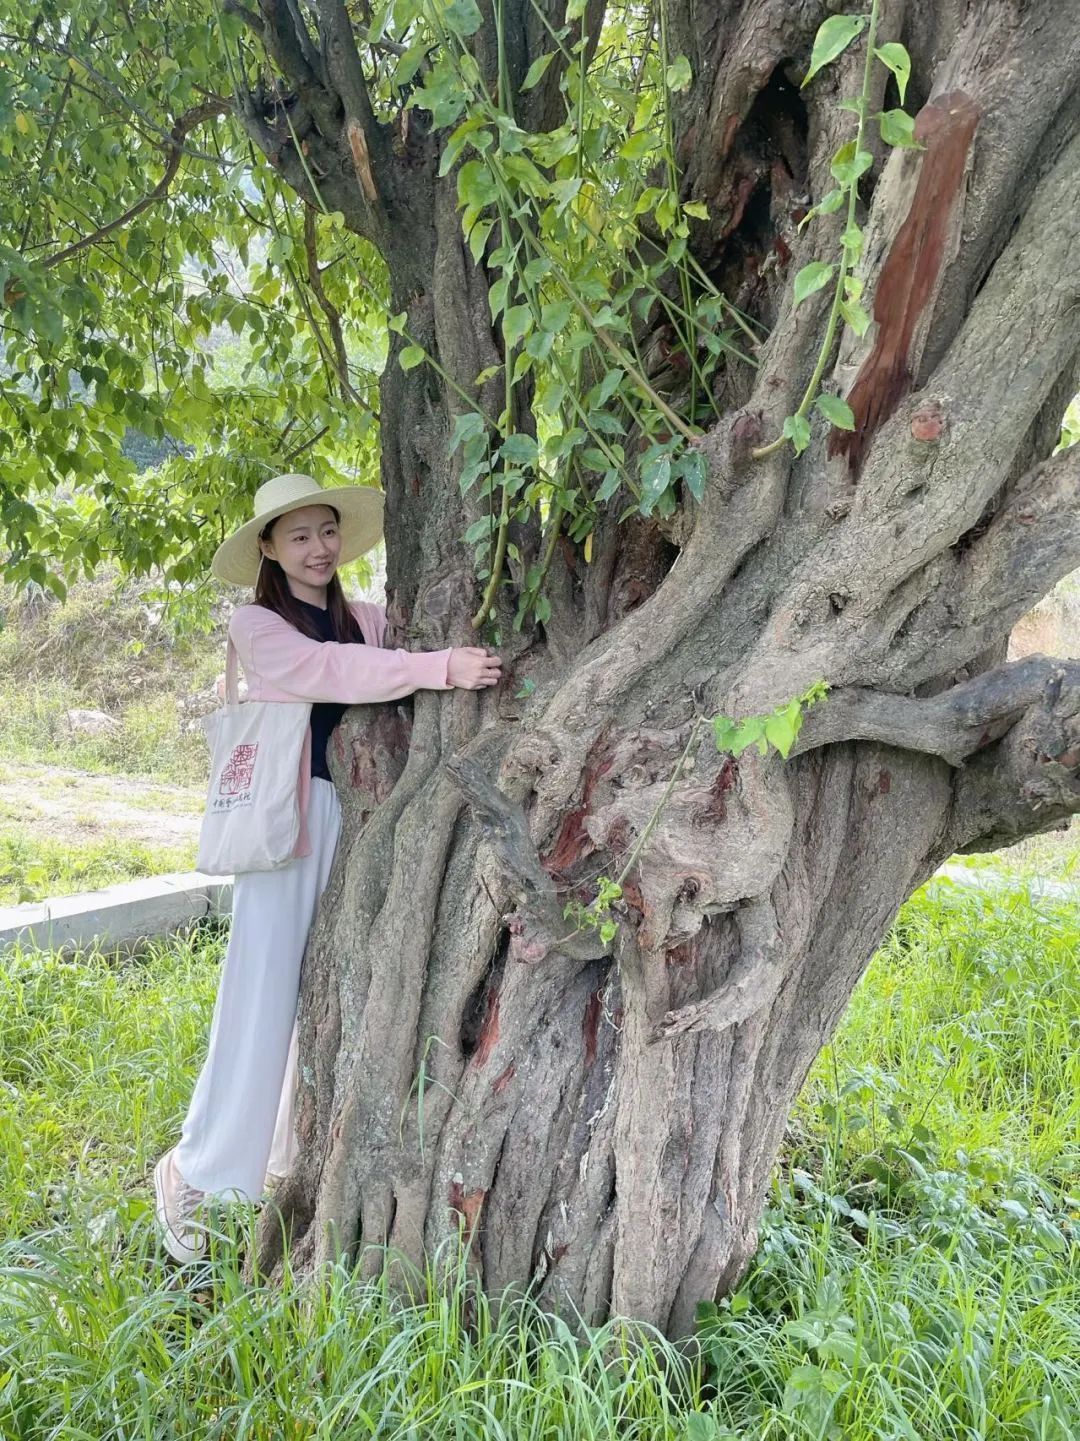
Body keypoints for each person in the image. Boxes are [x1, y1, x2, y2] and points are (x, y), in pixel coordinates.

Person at [153, 472, 501, 1261]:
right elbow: (329, 674)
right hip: (285, 827)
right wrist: (439, 665)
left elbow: (377, 663)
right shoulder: (258, 625)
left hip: (353, 822)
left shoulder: (367, 619)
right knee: (261, 992)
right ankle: (194, 1171)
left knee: (325, 995)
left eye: (326, 531)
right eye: (299, 535)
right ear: (270, 549)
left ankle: (282, 1158)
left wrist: (427, 659)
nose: (317, 548)